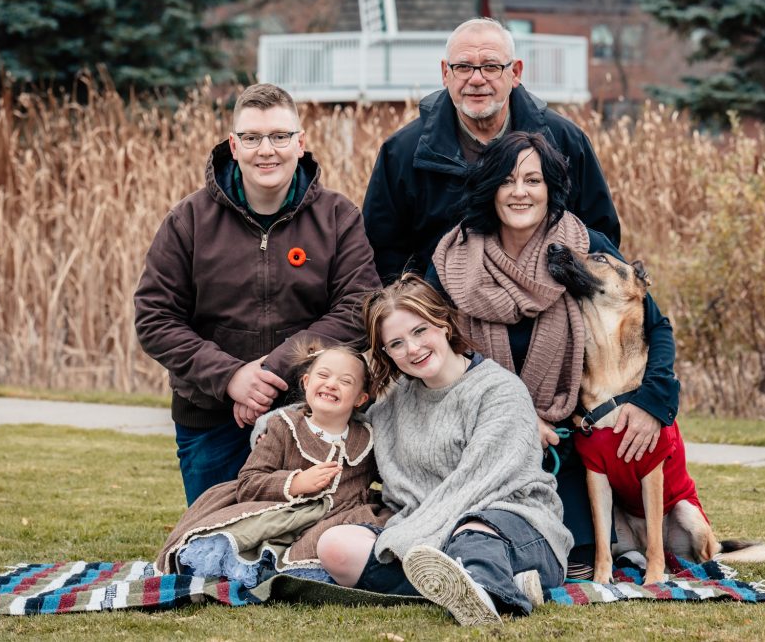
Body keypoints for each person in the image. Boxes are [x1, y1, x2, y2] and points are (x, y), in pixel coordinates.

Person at [429, 131, 680, 578]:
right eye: (507, 181)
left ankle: (497, 570)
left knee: (575, 563)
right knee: (465, 532)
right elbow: (433, 347)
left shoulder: (583, 250)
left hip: (566, 442)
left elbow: (653, 325)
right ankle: (485, 565)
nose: (520, 192)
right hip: (477, 429)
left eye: (533, 180)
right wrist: (517, 418)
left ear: (550, 189)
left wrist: (653, 402)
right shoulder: (454, 258)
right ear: (490, 189)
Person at [134, 83, 380, 505]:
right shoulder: (189, 220)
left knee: (301, 546)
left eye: (279, 136)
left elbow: (357, 309)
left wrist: (272, 369)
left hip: (310, 414)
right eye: (251, 137)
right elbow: (155, 318)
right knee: (214, 540)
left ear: (300, 143)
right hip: (210, 417)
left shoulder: (338, 217)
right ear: (234, 145)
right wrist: (231, 378)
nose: (266, 149)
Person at [314, 275, 571, 626]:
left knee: (472, 534)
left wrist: (405, 538)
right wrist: (282, 427)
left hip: (510, 524)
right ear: (386, 353)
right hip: (426, 534)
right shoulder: (394, 401)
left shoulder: (498, 390)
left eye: (420, 331)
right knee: (336, 546)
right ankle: (492, 584)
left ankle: (486, 591)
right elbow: (344, 427)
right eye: (397, 343)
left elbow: (476, 484)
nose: (413, 349)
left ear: (443, 323)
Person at [362, 17, 620, 282]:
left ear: (515, 72)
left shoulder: (564, 141)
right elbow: (382, 253)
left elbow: (599, 239)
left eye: (491, 66)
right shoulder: (403, 152)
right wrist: (418, 308)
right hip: (440, 312)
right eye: (463, 67)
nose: (476, 79)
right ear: (445, 73)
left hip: (547, 308)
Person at [155, 342, 391, 584]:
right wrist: (295, 483)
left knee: (356, 544)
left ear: (361, 398)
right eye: (323, 375)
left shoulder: (367, 438)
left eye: (345, 381)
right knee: (248, 541)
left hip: (339, 520)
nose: (331, 384)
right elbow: (249, 482)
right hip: (282, 517)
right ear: (307, 382)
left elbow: (391, 478)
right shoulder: (283, 427)